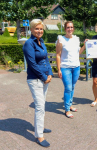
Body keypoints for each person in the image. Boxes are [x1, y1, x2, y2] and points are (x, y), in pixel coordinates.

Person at [23, 19, 53, 147]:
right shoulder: (29, 44)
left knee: (42, 105)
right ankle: (39, 136)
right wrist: (43, 76)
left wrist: (50, 73)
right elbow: (32, 63)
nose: (39, 31)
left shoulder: (41, 42)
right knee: (40, 106)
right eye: (37, 29)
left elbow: (46, 59)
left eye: (41, 29)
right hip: (35, 79)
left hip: (45, 78)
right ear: (32, 29)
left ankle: (39, 128)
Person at [56, 21, 86, 119]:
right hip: (65, 67)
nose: (70, 29)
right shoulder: (61, 39)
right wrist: (59, 69)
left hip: (76, 67)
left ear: (73, 28)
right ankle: (67, 109)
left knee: (72, 87)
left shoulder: (76, 39)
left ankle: (70, 104)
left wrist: (85, 45)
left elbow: (78, 53)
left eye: (71, 27)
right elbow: (58, 55)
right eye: (68, 27)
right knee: (68, 88)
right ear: (65, 29)